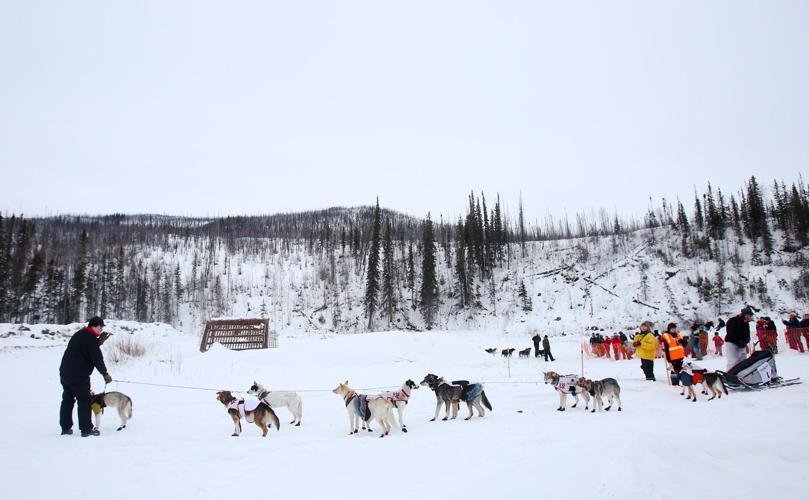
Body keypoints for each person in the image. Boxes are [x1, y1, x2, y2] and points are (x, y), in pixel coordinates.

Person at [59, 316, 113, 437]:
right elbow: (97, 358)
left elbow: (83, 350)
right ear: (95, 326)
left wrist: (96, 343)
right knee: (84, 401)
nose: (101, 330)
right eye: (100, 327)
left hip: (65, 372)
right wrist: (105, 373)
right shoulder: (91, 339)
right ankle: (86, 429)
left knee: (67, 400)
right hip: (79, 375)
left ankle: (65, 428)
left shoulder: (79, 334)